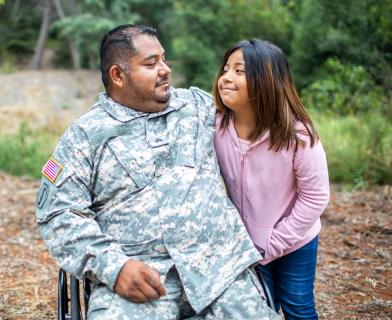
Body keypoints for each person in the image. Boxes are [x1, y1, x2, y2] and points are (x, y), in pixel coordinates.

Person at [35, 25, 279, 319]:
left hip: (220, 271)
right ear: (118, 75)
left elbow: (264, 120)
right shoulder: (85, 136)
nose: (165, 70)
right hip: (139, 281)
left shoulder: (198, 106)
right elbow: (59, 213)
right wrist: (113, 267)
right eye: (151, 64)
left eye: (164, 59)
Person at [213, 39, 330, 319]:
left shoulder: (297, 136)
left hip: (295, 240)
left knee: (298, 307)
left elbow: (315, 196)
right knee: (260, 309)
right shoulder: (216, 127)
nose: (226, 77)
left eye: (239, 71)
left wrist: (275, 243)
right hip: (247, 244)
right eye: (226, 69)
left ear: (266, 81)